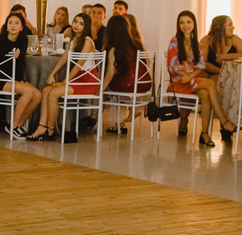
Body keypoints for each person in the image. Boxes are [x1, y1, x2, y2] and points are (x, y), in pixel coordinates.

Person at [26, 13, 98, 142]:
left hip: (87, 80)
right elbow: (64, 58)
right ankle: (42, 127)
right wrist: (52, 74)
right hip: (77, 78)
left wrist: (64, 82)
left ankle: (50, 129)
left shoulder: (88, 41)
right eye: (75, 21)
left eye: (81, 23)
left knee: (53, 93)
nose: (76, 25)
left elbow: (77, 66)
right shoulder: (74, 39)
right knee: (46, 90)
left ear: (86, 27)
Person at [166, 10, 233, 146]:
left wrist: (190, 75)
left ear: (193, 24)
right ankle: (224, 121)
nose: (185, 25)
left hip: (190, 80)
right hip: (179, 82)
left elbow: (201, 65)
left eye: (188, 22)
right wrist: (185, 75)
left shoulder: (195, 42)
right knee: (209, 84)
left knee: (206, 95)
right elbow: (172, 64)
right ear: (178, 25)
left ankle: (204, 134)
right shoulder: (174, 41)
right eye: (182, 23)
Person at [0, 11, 42, 136]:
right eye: (10, 23)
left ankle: (18, 124)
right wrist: (11, 52)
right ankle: (13, 126)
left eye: (17, 23)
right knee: (28, 92)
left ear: (22, 27)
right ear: (6, 26)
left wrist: (20, 79)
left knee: (37, 95)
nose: (13, 26)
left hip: (11, 77)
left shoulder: (22, 41)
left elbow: (20, 65)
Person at [101, 14, 153, 134]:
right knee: (115, 84)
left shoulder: (115, 49)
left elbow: (110, 72)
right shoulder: (135, 44)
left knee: (111, 87)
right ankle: (132, 107)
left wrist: (100, 90)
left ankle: (115, 123)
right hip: (145, 82)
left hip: (131, 84)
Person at [201, 15, 242, 143]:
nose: (233, 27)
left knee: (231, 85)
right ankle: (224, 124)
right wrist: (221, 71)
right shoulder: (207, 41)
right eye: (230, 25)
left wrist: (227, 56)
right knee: (217, 86)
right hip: (212, 74)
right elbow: (203, 63)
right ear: (220, 27)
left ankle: (226, 125)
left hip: (232, 77)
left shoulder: (235, 39)